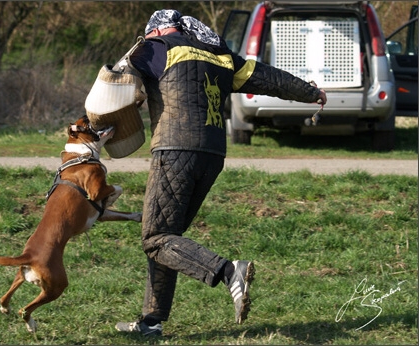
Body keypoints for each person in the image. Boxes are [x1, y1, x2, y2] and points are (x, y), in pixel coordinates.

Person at [114, 9, 327, 337]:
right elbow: (268, 78)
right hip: (212, 154)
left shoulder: (155, 48)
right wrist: (310, 92)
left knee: (156, 238)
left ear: (155, 31)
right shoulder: (221, 56)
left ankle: (230, 273)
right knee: (169, 237)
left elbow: (113, 85)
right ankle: (150, 323)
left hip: (175, 149)